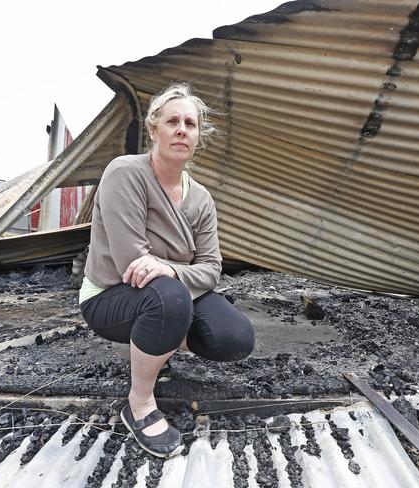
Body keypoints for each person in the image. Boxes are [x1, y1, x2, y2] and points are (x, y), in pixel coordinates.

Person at [78, 83, 255, 458]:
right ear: (153, 129)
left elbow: (211, 270)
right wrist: (176, 273)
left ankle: (159, 341)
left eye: (190, 124)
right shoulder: (125, 174)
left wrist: (168, 268)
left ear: (197, 137)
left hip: (166, 292)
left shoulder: (202, 199)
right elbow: (132, 266)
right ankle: (139, 403)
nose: (181, 129)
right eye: (172, 120)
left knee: (234, 336)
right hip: (110, 296)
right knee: (169, 299)